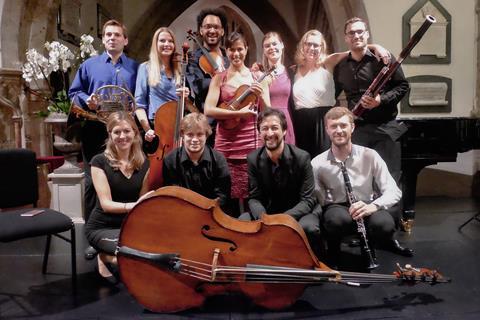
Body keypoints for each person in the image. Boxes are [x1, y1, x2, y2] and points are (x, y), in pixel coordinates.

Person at [69, 19, 139, 260]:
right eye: (108, 34)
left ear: (125, 40)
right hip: (96, 130)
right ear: (103, 38)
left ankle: (124, 231)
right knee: (92, 184)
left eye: (117, 35)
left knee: (123, 180)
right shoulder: (89, 65)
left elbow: (138, 97)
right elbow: (74, 93)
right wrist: (86, 99)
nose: (112, 38)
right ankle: (94, 235)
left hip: (123, 133)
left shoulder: (135, 67)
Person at [311, 107, 413, 269]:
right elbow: (318, 197)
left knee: (385, 224)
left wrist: (373, 206)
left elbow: (394, 191)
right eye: (334, 126)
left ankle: (369, 247)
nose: (339, 131)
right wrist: (329, 207)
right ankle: (334, 250)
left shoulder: (370, 155)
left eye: (343, 126)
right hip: (339, 208)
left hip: (367, 205)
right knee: (335, 219)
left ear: (352, 127)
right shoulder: (317, 163)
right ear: (327, 130)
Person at [333, 17, 409, 189]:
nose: (356, 35)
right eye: (351, 32)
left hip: (385, 129)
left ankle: (390, 216)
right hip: (358, 131)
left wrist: (380, 100)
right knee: (361, 181)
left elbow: (403, 86)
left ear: (367, 34)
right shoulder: (341, 67)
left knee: (389, 179)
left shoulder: (384, 59)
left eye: (360, 31)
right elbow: (333, 96)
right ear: (346, 38)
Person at [291, 29, 390, 158]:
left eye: (316, 45)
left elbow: (356, 49)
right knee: (303, 162)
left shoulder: (328, 62)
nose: (312, 48)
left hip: (323, 121)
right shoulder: (294, 69)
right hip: (300, 122)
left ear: (322, 47)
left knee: (325, 162)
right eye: (308, 44)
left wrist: (376, 46)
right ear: (302, 46)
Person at [204, 32, 271, 215]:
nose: (236, 54)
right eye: (232, 49)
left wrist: (260, 95)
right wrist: (238, 112)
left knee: (252, 192)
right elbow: (208, 110)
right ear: (226, 51)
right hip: (226, 141)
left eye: (240, 49)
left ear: (246, 49)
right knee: (226, 192)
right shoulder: (220, 77)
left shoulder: (256, 76)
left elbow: (267, 111)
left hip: (250, 140)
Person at [240, 108, 321, 251]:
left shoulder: (302, 157)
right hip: (269, 213)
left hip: (299, 212)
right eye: (264, 128)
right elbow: (254, 197)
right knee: (243, 222)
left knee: (308, 228)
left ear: (284, 131)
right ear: (259, 132)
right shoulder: (253, 159)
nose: (269, 133)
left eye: (274, 128)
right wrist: (264, 217)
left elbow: (308, 200)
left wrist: (281, 219)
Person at [85, 111, 150, 283]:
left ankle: (108, 254)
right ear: (110, 135)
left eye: (127, 131)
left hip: (130, 225)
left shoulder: (145, 163)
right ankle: (104, 256)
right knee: (136, 257)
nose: (122, 136)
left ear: (135, 133)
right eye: (117, 132)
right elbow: (106, 204)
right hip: (102, 226)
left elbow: (143, 202)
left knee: (153, 252)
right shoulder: (99, 161)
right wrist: (135, 205)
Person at [134, 27, 189, 153]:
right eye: (162, 41)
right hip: (156, 125)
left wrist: (186, 98)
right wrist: (148, 129)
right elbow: (139, 105)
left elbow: (186, 106)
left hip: (178, 126)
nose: (167, 44)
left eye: (170, 41)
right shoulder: (145, 68)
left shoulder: (180, 70)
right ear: (155, 44)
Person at [162, 112, 231, 209]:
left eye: (199, 134)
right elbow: (173, 194)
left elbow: (222, 197)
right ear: (182, 134)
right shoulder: (170, 160)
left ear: (206, 135)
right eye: (190, 134)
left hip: (211, 213)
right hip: (182, 212)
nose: (195, 139)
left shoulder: (219, 159)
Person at [186, 8, 229, 146]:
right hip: (208, 124)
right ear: (201, 30)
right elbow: (199, 87)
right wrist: (224, 82)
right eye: (207, 27)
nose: (212, 30)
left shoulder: (229, 59)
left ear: (222, 31)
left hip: (230, 120)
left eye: (216, 27)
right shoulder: (193, 58)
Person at [259, 32, 295, 145]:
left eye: (274, 44)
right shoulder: (259, 74)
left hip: (286, 120)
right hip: (267, 121)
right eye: (267, 45)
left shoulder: (292, 72)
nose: (271, 48)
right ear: (264, 50)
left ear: (282, 45)